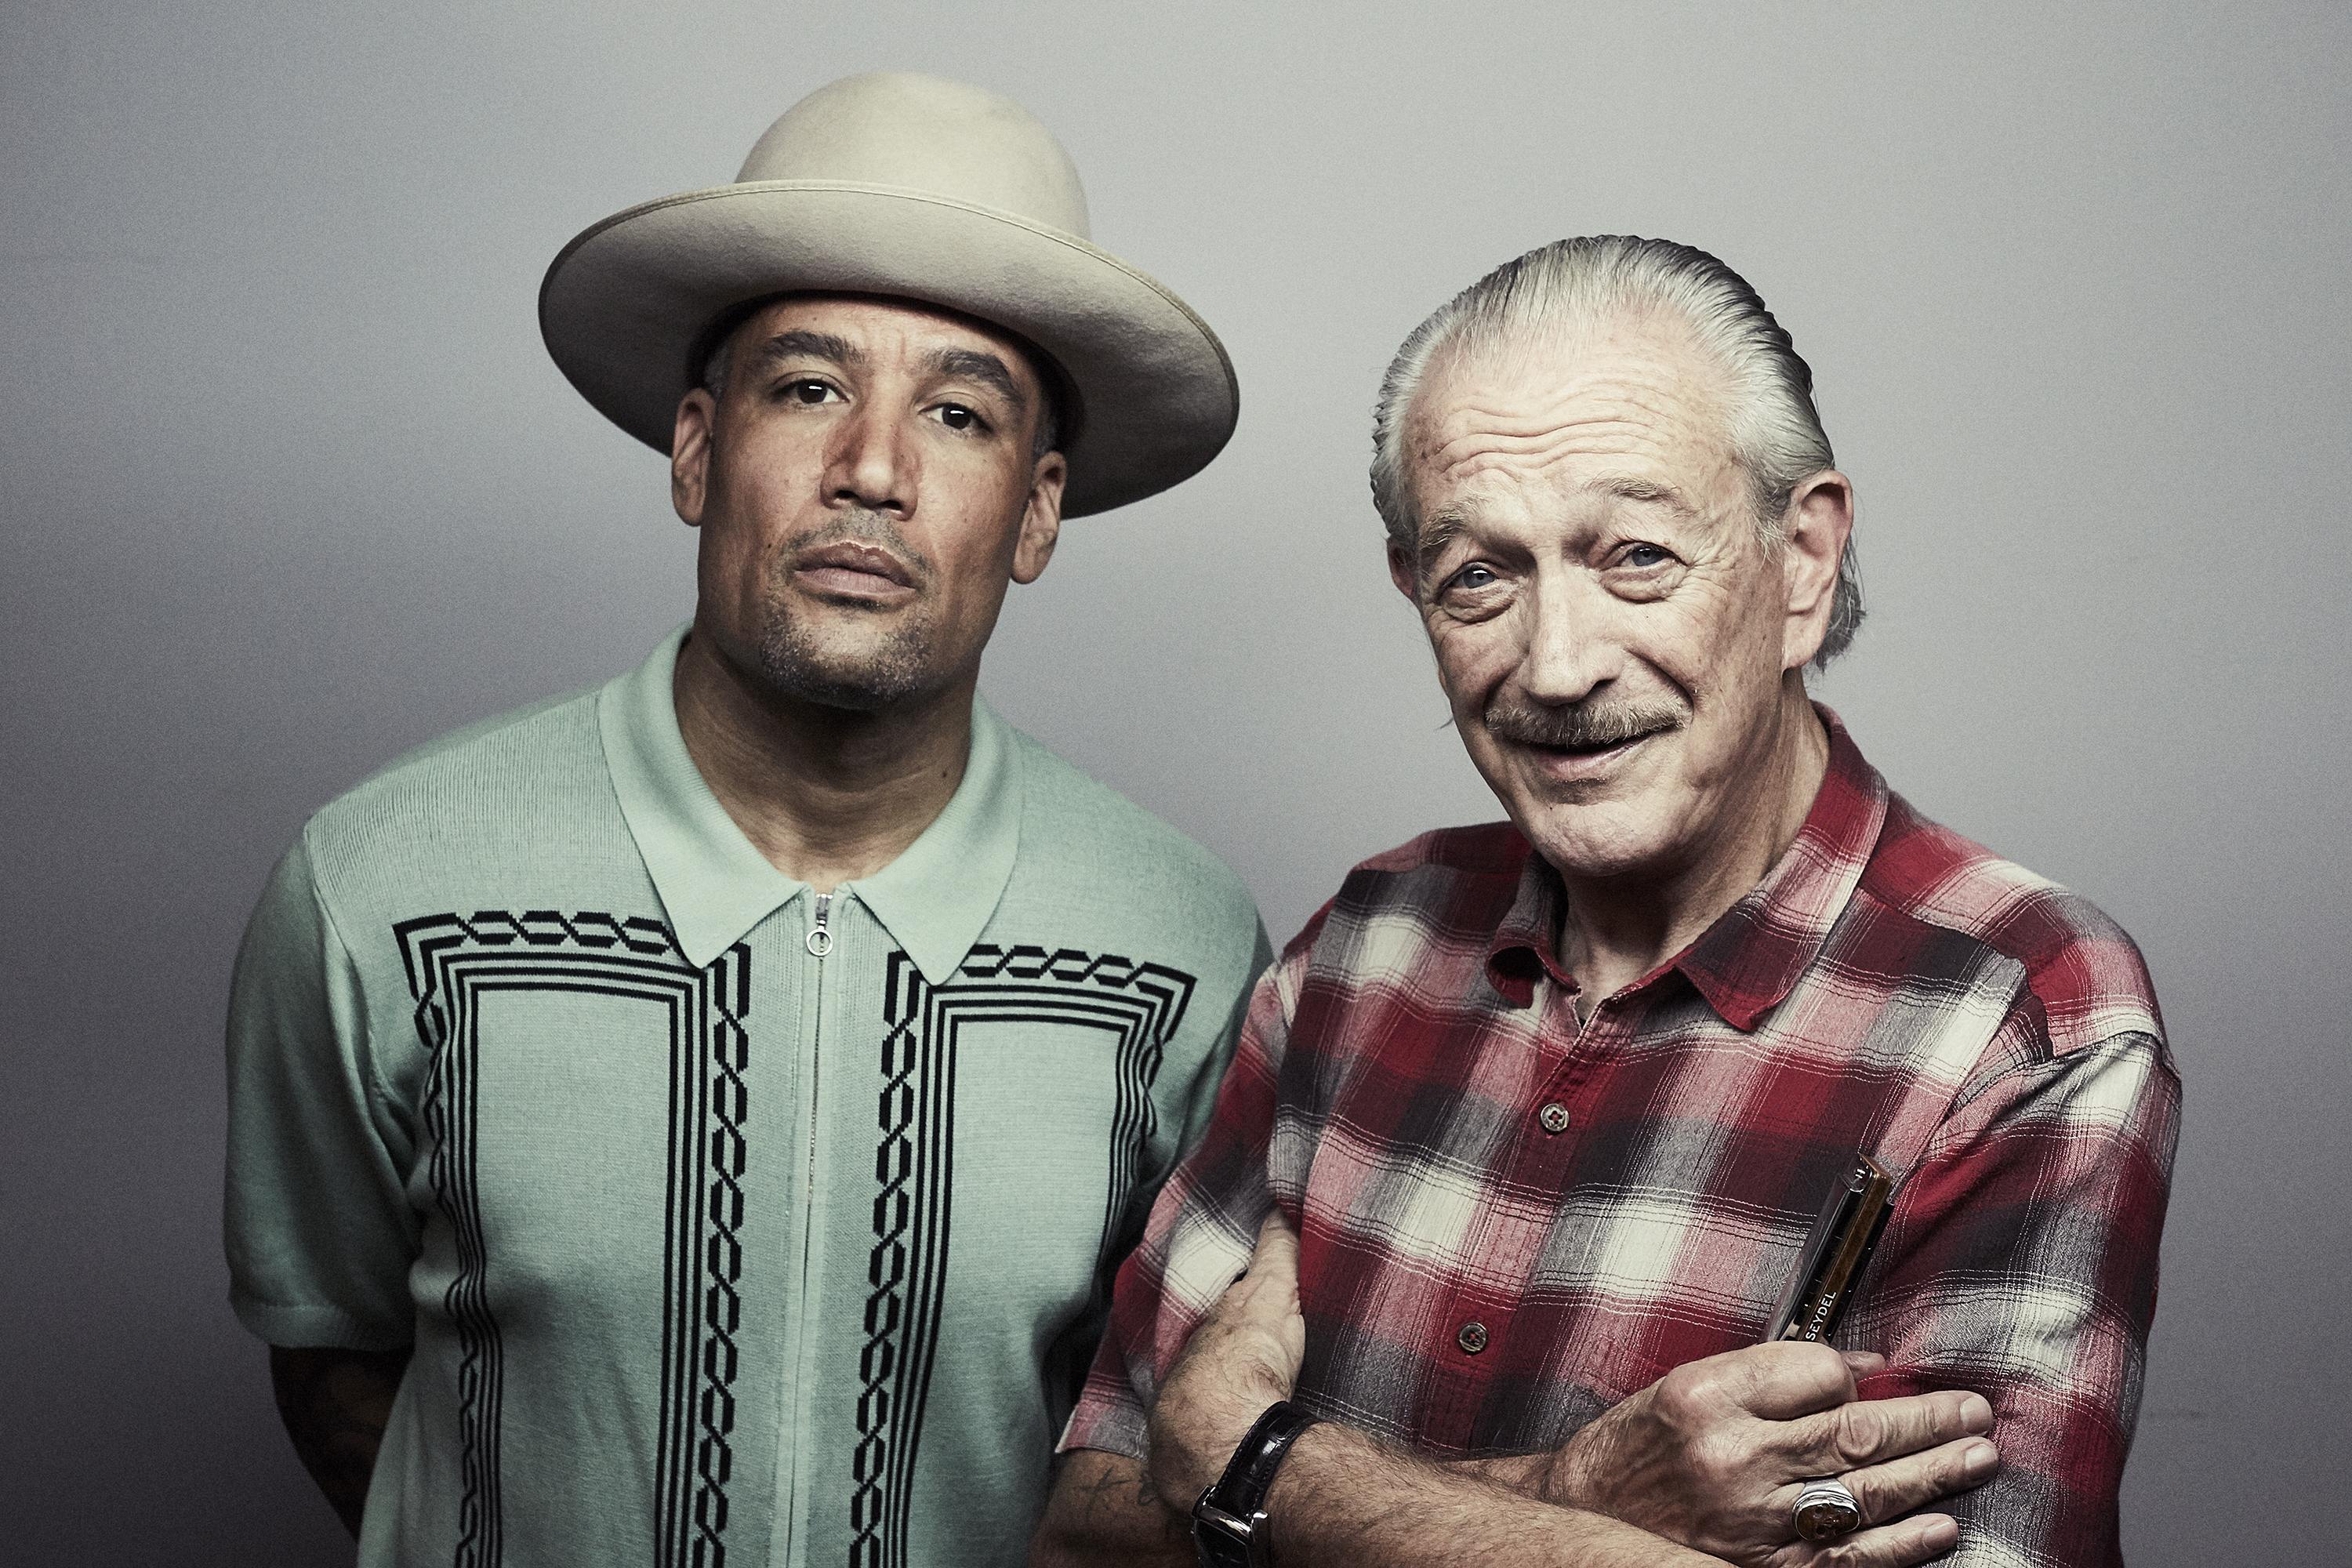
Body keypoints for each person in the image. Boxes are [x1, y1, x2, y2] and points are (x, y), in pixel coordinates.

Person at [222, 73, 1272, 1567]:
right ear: (698, 451)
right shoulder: (378, 887)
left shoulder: (1183, 947)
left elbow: (1147, 1444)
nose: (873, 472)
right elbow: (337, 1363)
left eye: (959, 414)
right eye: (808, 389)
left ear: (1037, 512)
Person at [1039, 237, 2179, 1568]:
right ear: (1413, 590)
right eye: (1481, 575)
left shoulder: (2026, 1012)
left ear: (1803, 560)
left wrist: (1262, 1472)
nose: (1558, 665)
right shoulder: (1362, 948)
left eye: (1635, 555)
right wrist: (1578, 1489)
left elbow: (1200, 1473)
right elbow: (1087, 1536)